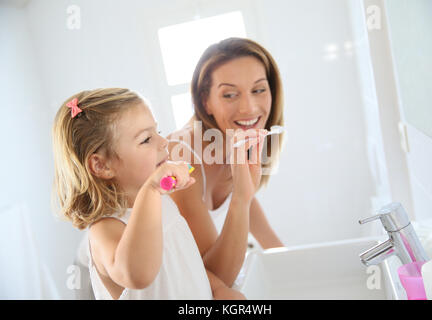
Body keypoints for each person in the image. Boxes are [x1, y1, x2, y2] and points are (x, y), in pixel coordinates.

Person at [52, 88, 243, 299]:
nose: (163, 142)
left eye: (157, 133)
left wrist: (219, 290)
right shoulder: (105, 229)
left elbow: (186, 265)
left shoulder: (164, 203)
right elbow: (138, 275)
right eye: (145, 139)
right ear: (101, 165)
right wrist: (151, 190)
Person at [168, 37, 285, 287]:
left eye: (259, 90)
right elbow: (216, 278)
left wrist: (299, 272)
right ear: (205, 102)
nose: (249, 108)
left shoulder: (232, 143)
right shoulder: (182, 156)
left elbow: (256, 219)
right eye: (230, 94)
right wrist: (242, 198)